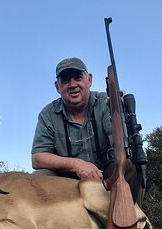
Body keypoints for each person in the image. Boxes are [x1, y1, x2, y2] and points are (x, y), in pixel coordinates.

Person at [31, 57, 145, 207]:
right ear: (57, 87)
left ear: (89, 79)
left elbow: (119, 146)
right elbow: (38, 159)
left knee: (132, 163)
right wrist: (77, 165)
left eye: (78, 78)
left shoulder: (105, 102)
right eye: (65, 81)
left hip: (106, 176)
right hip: (67, 183)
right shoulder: (48, 114)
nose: (72, 85)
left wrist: (117, 115)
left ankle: (131, 220)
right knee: (39, 177)